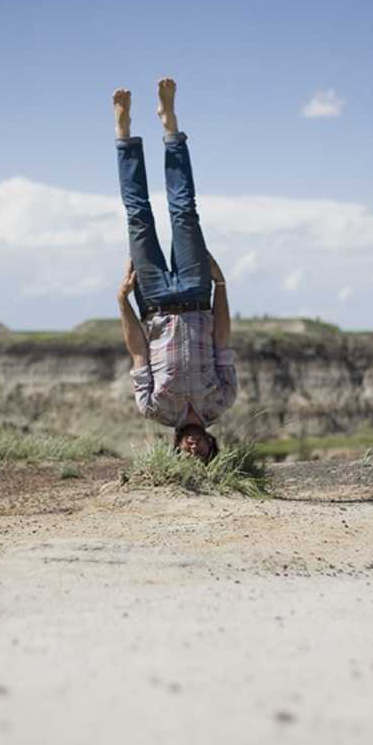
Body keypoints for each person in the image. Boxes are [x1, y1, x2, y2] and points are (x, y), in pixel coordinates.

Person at [114, 78, 237, 463]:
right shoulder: (223, 398)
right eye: (201, 451)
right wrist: (220, 285)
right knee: (184, 211)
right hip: (199, 292)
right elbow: (222, 339)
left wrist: (122, 301)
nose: (192, 446)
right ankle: (170, 127)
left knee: (139, 218)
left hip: (151, 301)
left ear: (176, 447)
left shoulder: (153, 408)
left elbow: (137, 351)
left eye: (187, 453)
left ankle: (124, 136)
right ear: (212, 445)